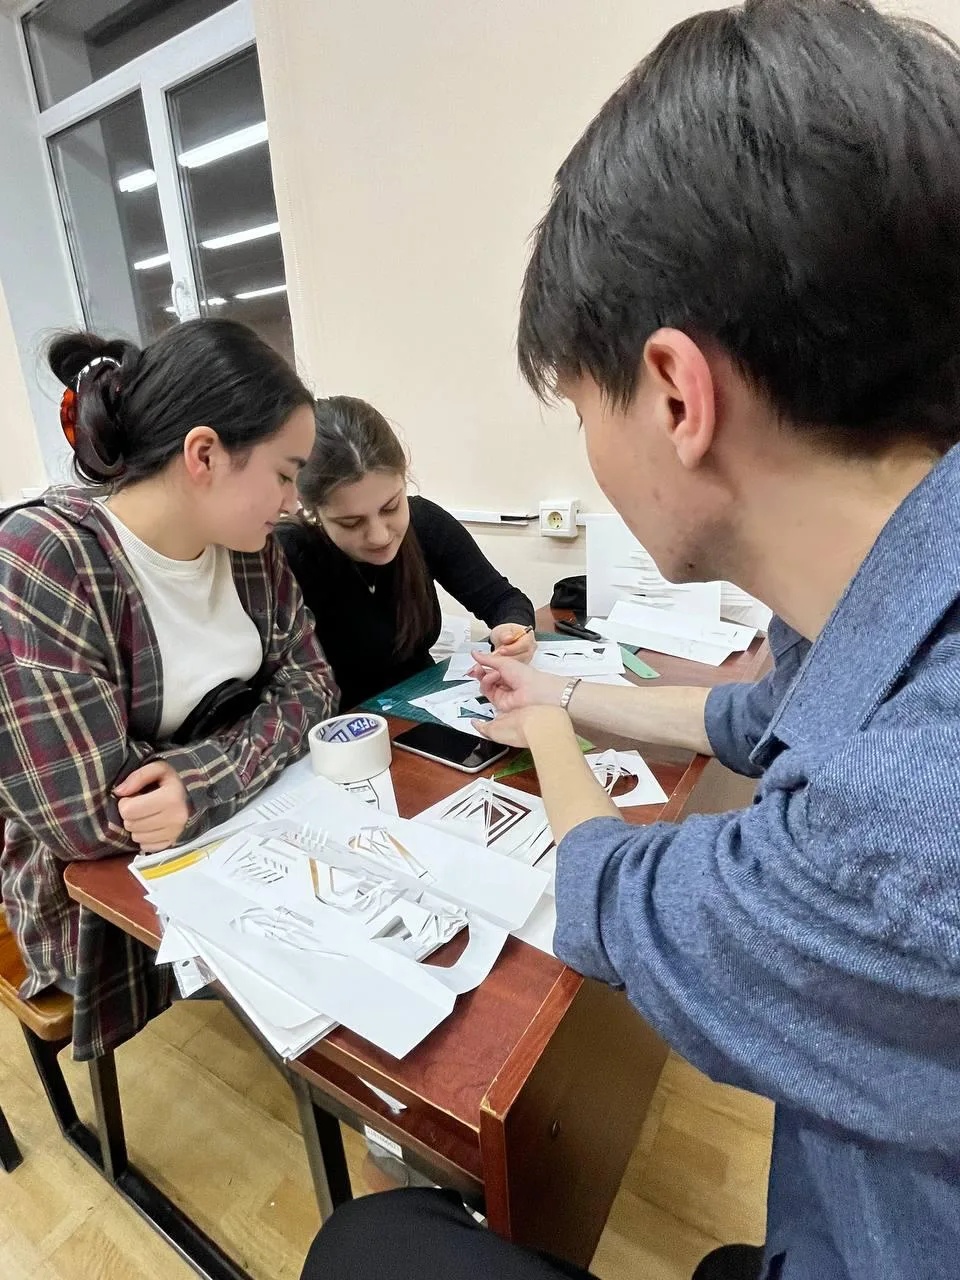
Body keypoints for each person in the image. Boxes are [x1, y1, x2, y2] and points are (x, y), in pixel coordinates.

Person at [298, 2, 960, 1279]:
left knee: (367, 1249)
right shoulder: (883, 613)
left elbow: (612, 893)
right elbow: (751, 717)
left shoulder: (894, 814)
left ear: (673, 392)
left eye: (579, 409)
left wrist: (544, 717)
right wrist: (567, 692)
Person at [0, 319, 337, 1061]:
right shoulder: (45, 559)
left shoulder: (249, 551)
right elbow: (94, 817)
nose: (291, 502)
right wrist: (253, 740)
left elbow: (315, 684)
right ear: (204, 454)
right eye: (285, 474)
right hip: (101, 908)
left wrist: (199, 778)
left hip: (244, 839)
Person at [275, 395, 536, 709]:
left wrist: (513, 630)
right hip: (339, 726)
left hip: (424, 706)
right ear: (312, 510)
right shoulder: (286, 556)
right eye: (351, 522)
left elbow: (503, 600)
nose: (380, 535)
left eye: (390, 507)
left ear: (404, 477)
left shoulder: (424, 523)